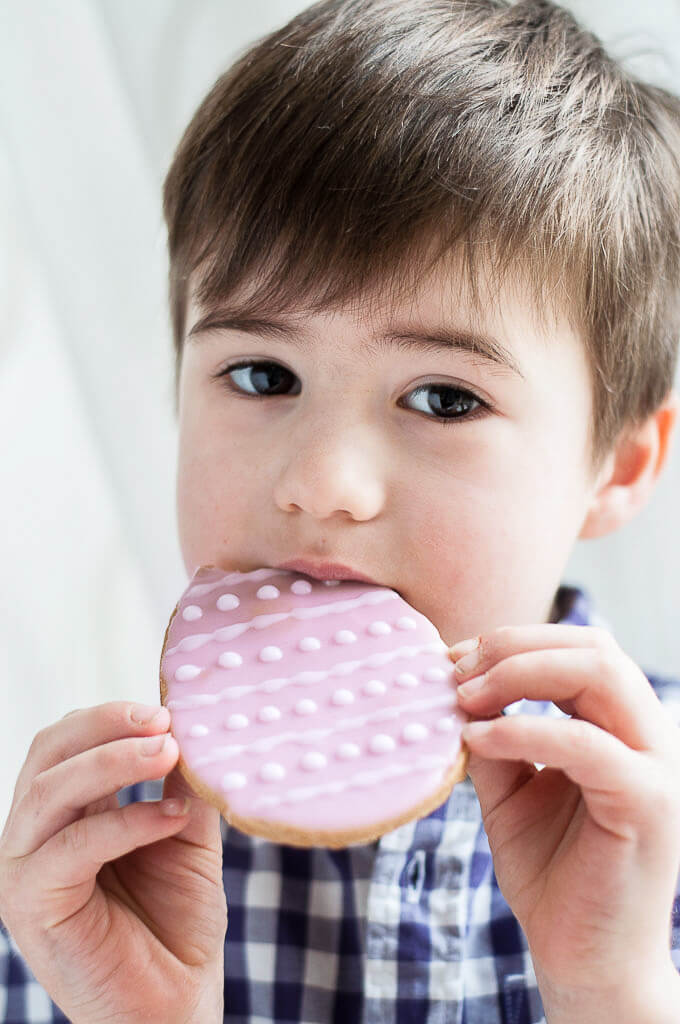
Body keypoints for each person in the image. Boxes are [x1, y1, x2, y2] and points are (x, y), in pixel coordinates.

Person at [2, 0, 680, 1020]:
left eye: (444, 397)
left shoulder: (653, 827)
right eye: (263, 375)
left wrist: (608, 986)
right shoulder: (81, 882)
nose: (321, 482)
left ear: (618, 464)